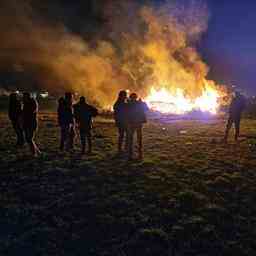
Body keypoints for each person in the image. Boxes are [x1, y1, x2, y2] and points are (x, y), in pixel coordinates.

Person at [127, 93, 149, 160]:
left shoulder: (128, 104)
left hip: (132, 123)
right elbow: (147, 109)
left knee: (131, 137)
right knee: (138, 137)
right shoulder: (139, 103)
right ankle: (139, 151)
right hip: (138, 122)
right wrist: (142, 102)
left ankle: (131, 153)